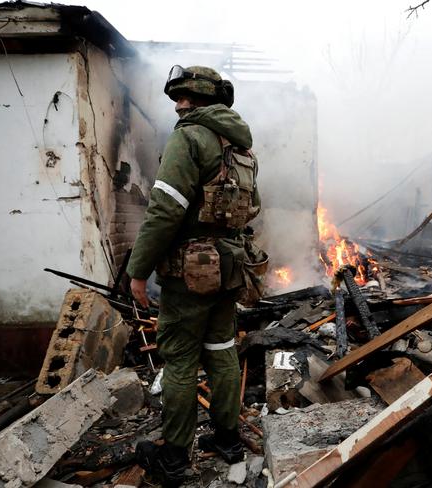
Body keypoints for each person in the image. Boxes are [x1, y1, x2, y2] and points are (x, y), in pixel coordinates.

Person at [127, 65, 260, 487]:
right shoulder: (239, 145)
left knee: (181, 358)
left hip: (191, 271)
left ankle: (175, 456)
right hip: (230, 266)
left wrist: (137, 270)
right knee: (221, 349)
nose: (178, 106)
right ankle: (227, 440)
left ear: (190, 100)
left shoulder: (188, 137)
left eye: (181, 98)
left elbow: (165, 210)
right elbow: (251, 209)